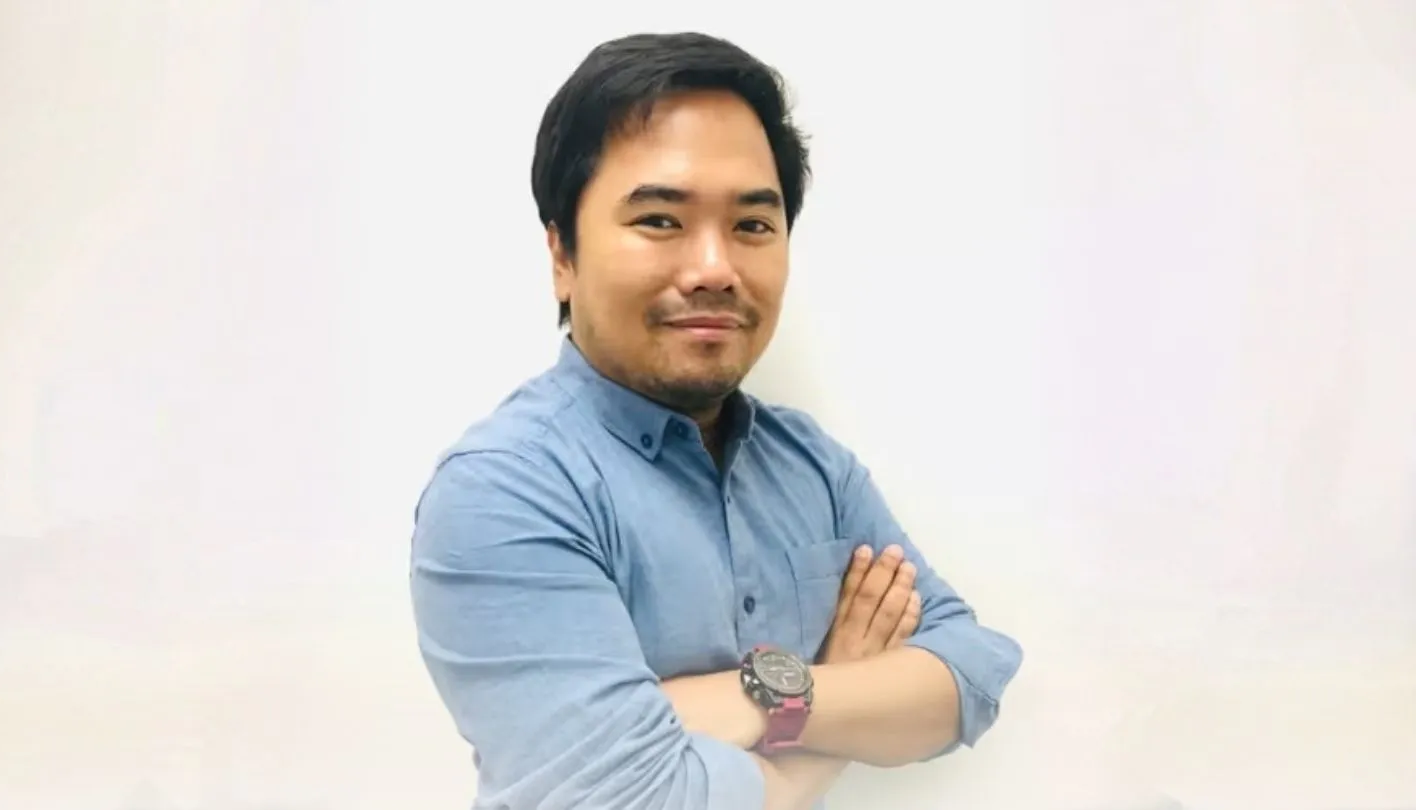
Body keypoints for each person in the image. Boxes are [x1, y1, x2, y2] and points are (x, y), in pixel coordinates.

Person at [409, 31, 1023, 810]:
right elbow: (642, 801)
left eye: (753, 225)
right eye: (661, 220)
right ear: (562, 254)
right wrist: (833, 718)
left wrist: (751, 696)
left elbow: (970, 675)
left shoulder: (811, 466)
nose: (713, 268)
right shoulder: (505, 490)